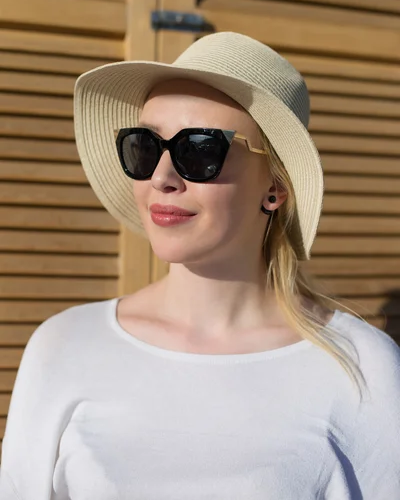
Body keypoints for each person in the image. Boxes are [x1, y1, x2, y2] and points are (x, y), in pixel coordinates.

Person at [0, 32, 399, 499]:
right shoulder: (64, 345)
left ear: (275, 187)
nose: (162, 178)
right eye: (145, 146)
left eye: (200, 150)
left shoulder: (363, 367)